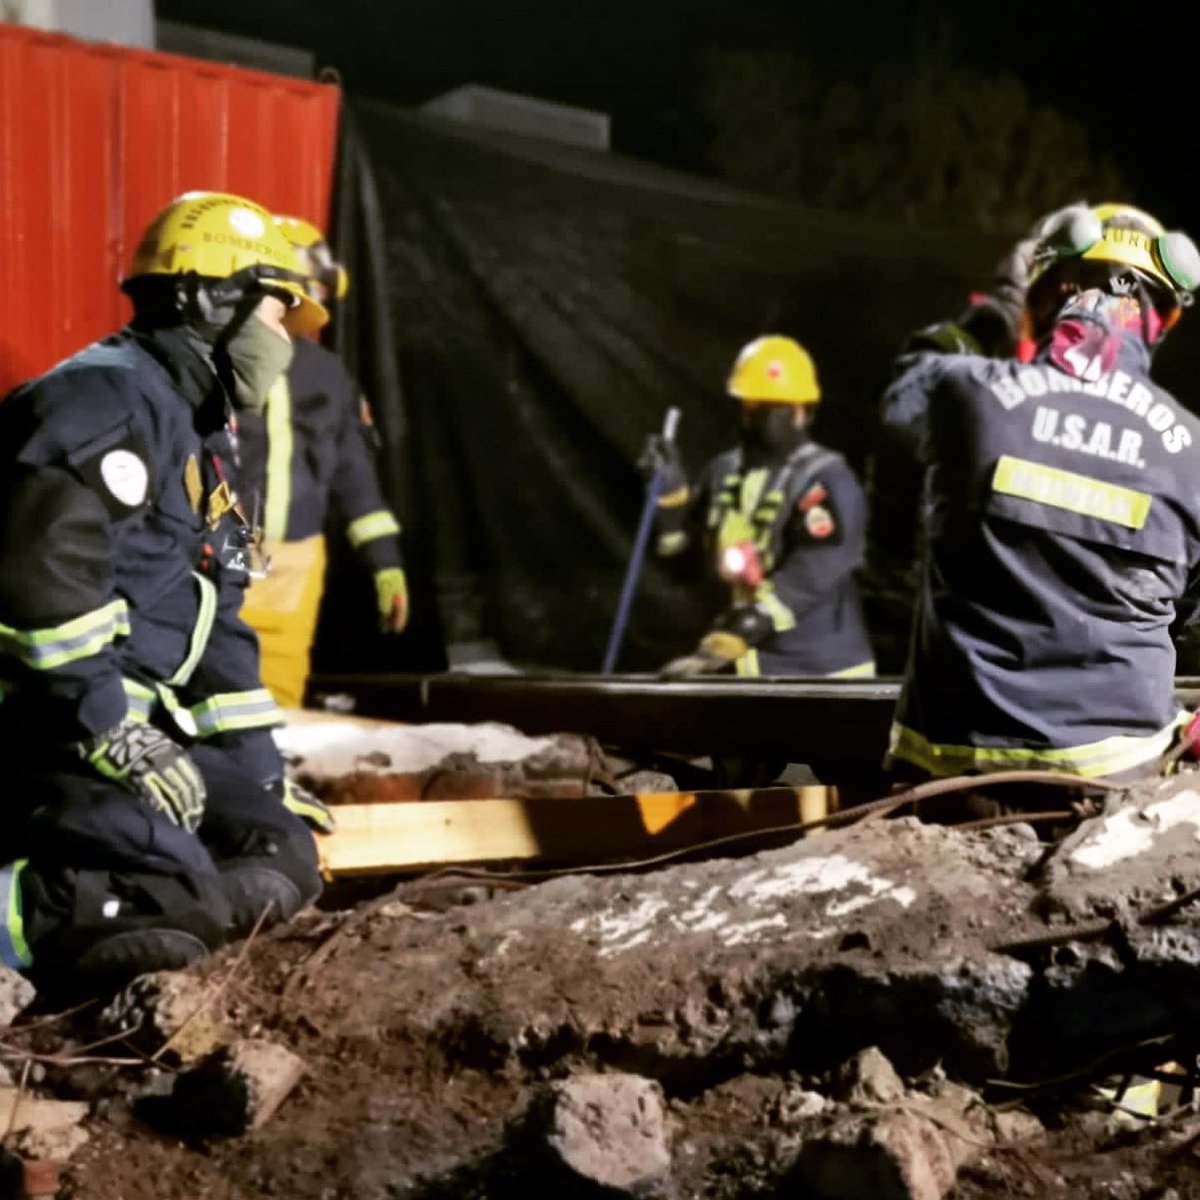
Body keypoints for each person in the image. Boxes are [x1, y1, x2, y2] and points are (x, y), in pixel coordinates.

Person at [0, 191, 335, 988]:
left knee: (275, 852)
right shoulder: (102, 401)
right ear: (207, 299)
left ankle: (159, 876)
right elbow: (38, 580)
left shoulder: (198, 435)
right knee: (160, 906)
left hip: (113, 737)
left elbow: (217, 623)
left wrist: (258, 774)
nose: (285, 338)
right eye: (275, 310)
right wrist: (109, 727)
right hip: (42, 726)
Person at [880, 202, 1200, 783]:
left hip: (946, 770)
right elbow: (1187, 614)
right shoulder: (1194, 451)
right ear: (1165, 319)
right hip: (1113, 774)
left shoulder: (968, 394)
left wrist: (991, 318)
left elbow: (904, 397)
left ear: (1046, 293)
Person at [235, 214, 408, 709]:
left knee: (282, 689)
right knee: (214, 683)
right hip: (222, 556)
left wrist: (386, 562)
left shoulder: (329, 374)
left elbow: (354, 474)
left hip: (298, 559)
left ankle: (268, 781)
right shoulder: (218, 358)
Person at [643, 335, 874, 678]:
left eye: (764, 409)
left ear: (800, 413)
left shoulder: (827, 480)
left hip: (820, 674)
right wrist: (673, 506)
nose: (749, 419)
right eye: (745, 406)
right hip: (745, 670)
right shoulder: (722, 472)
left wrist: (741, 628)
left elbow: (813, 573)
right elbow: (687, 572)